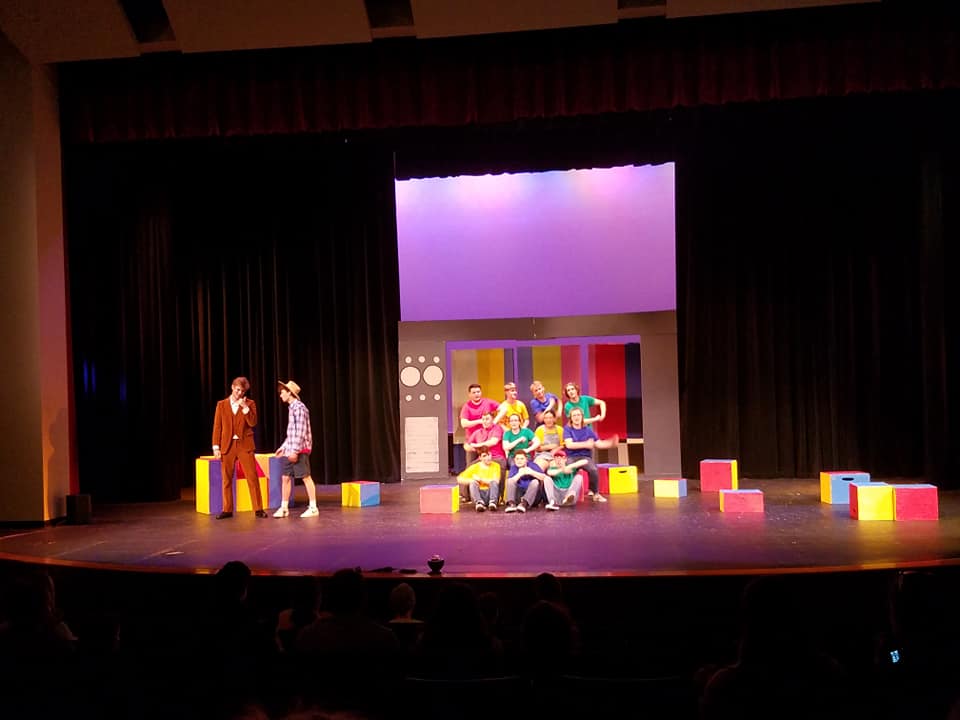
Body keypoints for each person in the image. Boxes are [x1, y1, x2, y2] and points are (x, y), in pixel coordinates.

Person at [211, 376, 266, 519]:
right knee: (226, 479)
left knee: (252, 477)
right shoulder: (221, 405)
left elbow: (253, 423)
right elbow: (217, 427)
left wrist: (245, 408)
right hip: (227, 446)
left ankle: (258, 508)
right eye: (237, 390)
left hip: (244, 445)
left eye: (242, 391)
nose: (239, 393)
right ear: (232, 387)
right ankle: (227, 509)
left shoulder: (250, 404)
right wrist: (216, 447)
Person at [273, 380, 318, 518]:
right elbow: (291, 433)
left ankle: (313, 507)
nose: (280, 395)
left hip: (300, 449)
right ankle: (284, 508)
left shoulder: (299, 408)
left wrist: (295, 451)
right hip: (291, 448)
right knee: (285, 477)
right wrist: (283, 447)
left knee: (305, 476)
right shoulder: (292, 408)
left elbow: (301, 432)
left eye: (282, 392)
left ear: (289, 393)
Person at [563, 407, 617, 502]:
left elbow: (598, 444)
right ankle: (567, 494)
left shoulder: (588, 430)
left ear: (582, 417)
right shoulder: (567, 429)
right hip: (571, 457)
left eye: (578, 415)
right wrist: (586, 444)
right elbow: (569, 445)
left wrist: (611, 443)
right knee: (568, 468)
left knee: (593, 469)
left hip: (585, 457)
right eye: (574, 415)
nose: (576, 417)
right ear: (571, 418)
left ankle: (595, 493)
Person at [461, 411, 507, 501]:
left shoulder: (497, 428)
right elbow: (466, 445)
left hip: (496, 457)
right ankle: (466, 496)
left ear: (492, 420)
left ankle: (499, 497)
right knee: (469, 468)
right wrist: (470, 448)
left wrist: (477, 445)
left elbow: (493, 442)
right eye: (483, 419)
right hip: (482, 458)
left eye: (487, 419)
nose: (485, 421)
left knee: (500, 469)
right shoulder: (478, 432)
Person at [459, 384, 500, 466]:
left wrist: (495, 421)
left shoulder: (488, 402)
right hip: (473, 440)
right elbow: (464, 424)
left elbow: (504, 408)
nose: (476, 394)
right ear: (469, 394)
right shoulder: (467, 406)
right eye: (474, 392)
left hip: (487, 440)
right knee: (471, 466)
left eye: (478, 392)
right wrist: (480, 421)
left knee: (489, 464)